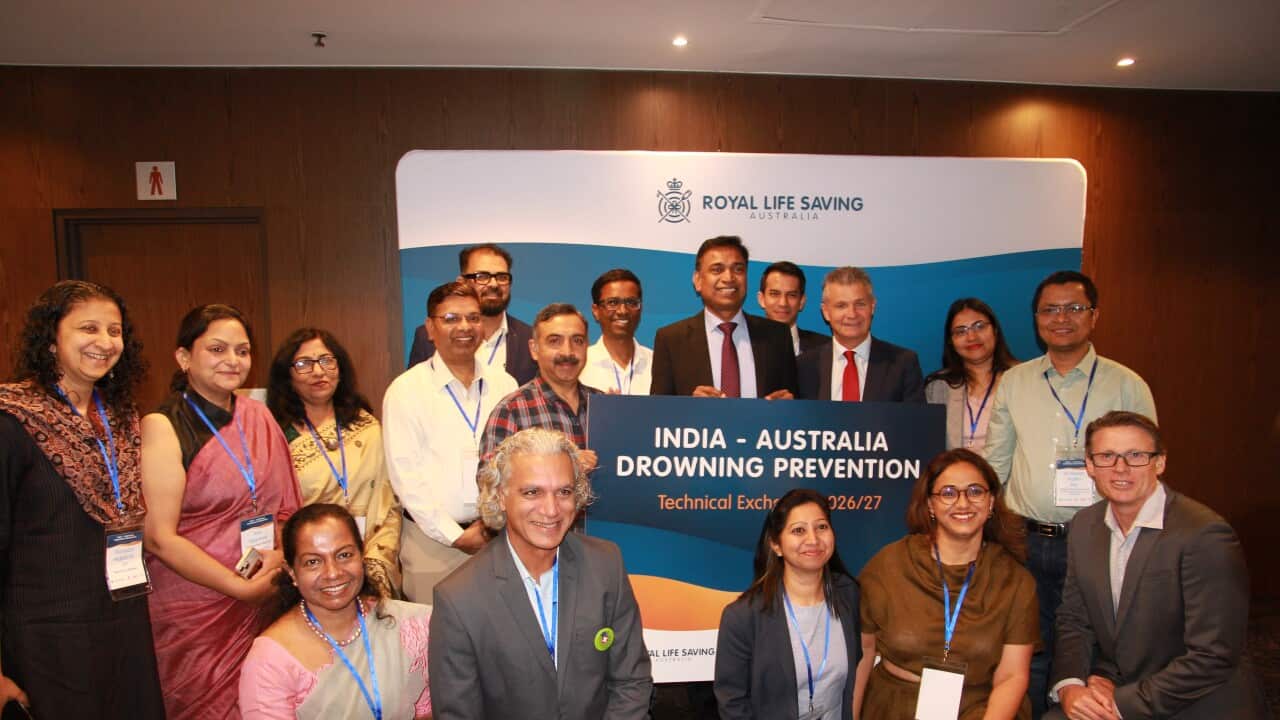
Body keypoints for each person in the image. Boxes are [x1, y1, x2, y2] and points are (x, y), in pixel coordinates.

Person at [983, 270, 1157, 717]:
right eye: (1050, 309)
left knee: (1098, 646)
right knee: (1029, 646)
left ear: (1094, 316)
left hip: (1104, 538)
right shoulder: (1015, 382)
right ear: (1036, 319)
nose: (1062, 318)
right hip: (1028, 539)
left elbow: (1146, 468)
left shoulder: (1126, 385)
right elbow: (996, 465)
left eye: (1074, 308)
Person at [0, 280, 166, 718]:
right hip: (47, 639)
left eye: (114, 331)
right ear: (51, 340)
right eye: (88, 328)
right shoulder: (11, 420)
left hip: (123, 622)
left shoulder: (120, 419)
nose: (105, 342)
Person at [141, 303, 304, 719]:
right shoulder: (164, 425)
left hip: (264, 590)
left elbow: (287, 507)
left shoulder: (259, 415)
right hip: (196, 607)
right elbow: (159, 536)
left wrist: (281, 556)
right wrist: (236, 588)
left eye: (242, 350)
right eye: (217, 349)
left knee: (265, 702)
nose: (233, 361)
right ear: (183, 357)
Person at [1046, 412, 1265, 720]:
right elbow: (1073, 620)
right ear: (1090, 466)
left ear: (1160, 462)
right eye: (1107, 456)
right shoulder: (1083, 525)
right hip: (1118, 682)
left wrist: (1121, 704)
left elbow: (1212, 655)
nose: (1120, 468)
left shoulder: (1205, 534)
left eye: (1136, 455)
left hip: (1196, 698)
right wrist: (1071, 687)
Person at [428, 428, 652, 718]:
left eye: (564, 492)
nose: (551, 509)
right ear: (500, 495)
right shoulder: (458, 599)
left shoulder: (606, 565)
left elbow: (631, 681)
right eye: (532, 492)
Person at [855, 449, 1038, 720]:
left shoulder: (1015, 581)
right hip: (893, 706)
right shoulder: (888, 565)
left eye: (975, 491)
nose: (963, 503)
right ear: (930, 504)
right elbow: (864, 653)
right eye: (948, 493)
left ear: (990, 503)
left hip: (980, 709)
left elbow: (1012, 675)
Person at [383, 281, 518, 603]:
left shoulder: (505, 384)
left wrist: (492, 526)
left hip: (499, 539)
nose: (465, 327)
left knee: (499, 641)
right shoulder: (406, 390)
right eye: (451, 319)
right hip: (433, 547)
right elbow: (406, 477)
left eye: (473, 318)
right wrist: (456, 535)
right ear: (430, 327)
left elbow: (515, 462)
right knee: (436, 643)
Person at [239, 504, 432, 719]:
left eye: (344, 555)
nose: (333, 573)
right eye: (313, 562)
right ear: (292, 572)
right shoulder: (271, 661)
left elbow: (431, 708)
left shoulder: (413, 625)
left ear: (362, 555)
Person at [267, 328, 402, 598]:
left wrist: (373, 562)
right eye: (304, 364)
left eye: (327, 360)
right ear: (287, 376)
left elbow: (388, 502)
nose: (319, 372)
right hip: (314, 560)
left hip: (370, 551)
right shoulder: (276, 436)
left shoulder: (366, 426)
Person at [715, 488, 862, 720]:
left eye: (821, 527)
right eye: (798, 530)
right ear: (776, 544)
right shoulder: (743, 616)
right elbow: (732, 702)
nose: (813, 539)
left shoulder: (848, 594)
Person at [651, 236, 797, 398]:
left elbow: (794, 405)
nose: (729, 278)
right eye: (717, 269)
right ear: (698, 280)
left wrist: (787, 406)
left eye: (738, 269)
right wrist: (689, 406)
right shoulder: (671, 339)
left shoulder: (778, 336)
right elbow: (658, 412)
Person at [479, 303, 600, 472]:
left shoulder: (602, 406)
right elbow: (489, 480)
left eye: (577, 340)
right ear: (534, 349)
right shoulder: (512, 410)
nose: (567, 351)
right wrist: (562, 464)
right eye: (554, 341)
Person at [407, 242, 536, 384]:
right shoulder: (429, 336)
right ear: (462, 282)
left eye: (502, 277)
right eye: (482, 276)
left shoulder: (529, 338)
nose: (494, 284)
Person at [798, 266, 925, 403]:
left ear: (872, 306)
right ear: (826, 312)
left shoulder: (903, 364)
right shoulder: (804, 366)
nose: (852, 314)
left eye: (860, 304)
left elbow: (915, 422)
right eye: (841, 305)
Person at [925, 298, 1019, 450]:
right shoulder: (938, 387)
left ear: (995, 330)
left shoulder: (1021, 379)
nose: (971, 337)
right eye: (961, 331)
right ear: (951, 341)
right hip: (955, 472)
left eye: (979, 327)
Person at [580, 268, 653, 395]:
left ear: (640, 309)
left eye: (631, 302)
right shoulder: (580, 364)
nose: (622, 311)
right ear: (595, 311)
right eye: (612, 303)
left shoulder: (657, 364)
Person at [757, 261, 827, 355]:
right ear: (761, 299)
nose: (783, 303)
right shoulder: (744, 345)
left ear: (801, 302)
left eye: (791, 295)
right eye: (775, 294)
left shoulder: (825, 348)